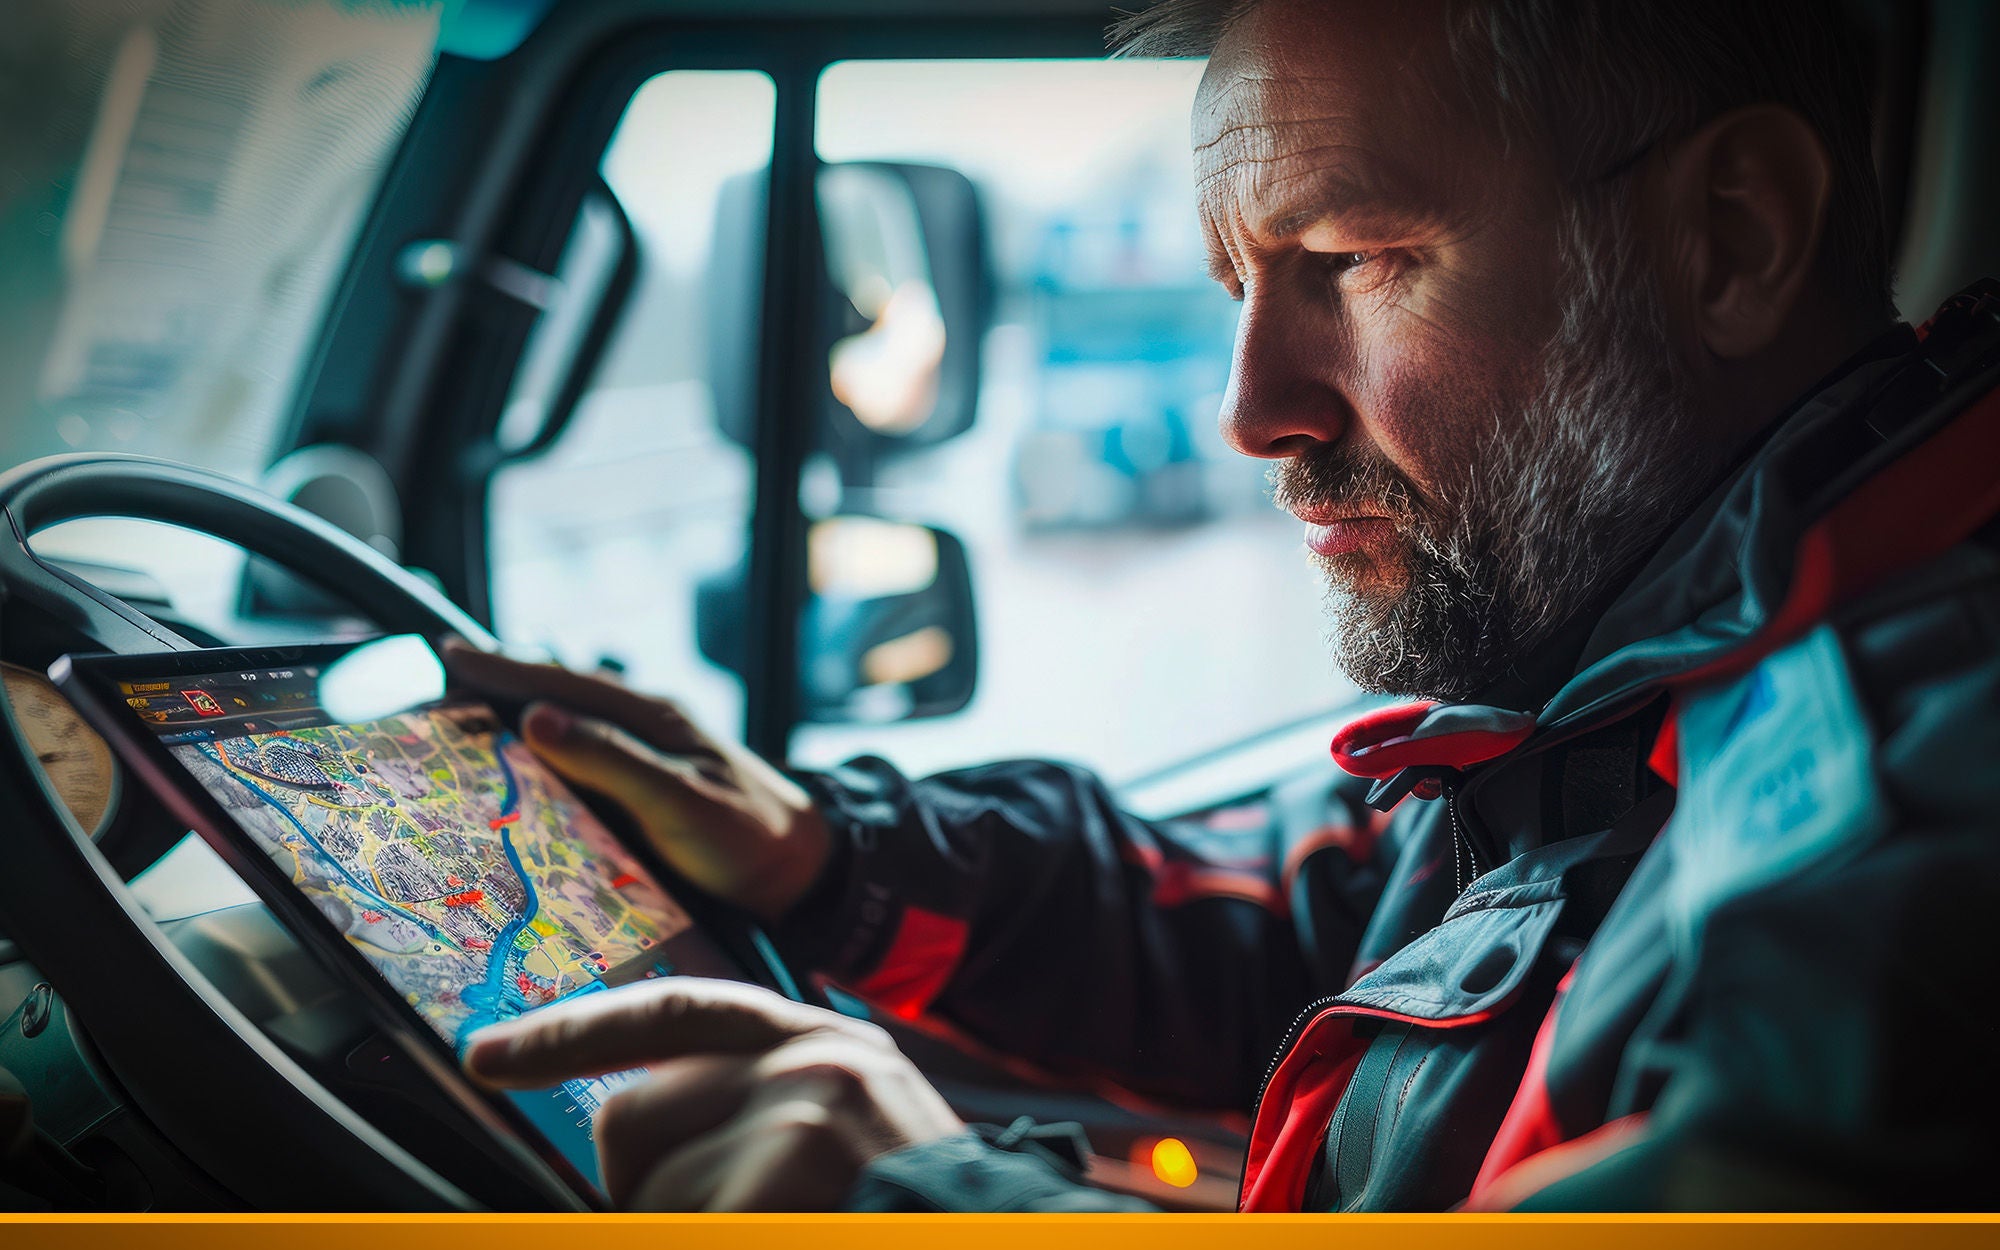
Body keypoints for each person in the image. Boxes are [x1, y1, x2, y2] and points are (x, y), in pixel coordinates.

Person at [449, 0, 2000, 1212]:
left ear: (1729, 236)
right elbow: (1308, 927)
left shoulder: (1916, 818)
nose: (1250, 408)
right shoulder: (1632, 701)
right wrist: (825, 854)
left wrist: (925, 1203)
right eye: (1235, 284)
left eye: (1350, 258)